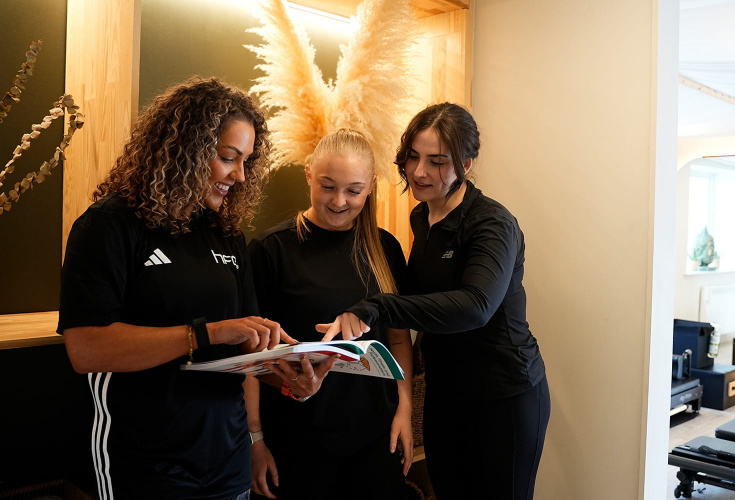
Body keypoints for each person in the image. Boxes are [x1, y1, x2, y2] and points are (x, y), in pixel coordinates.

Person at [57, 77, 325, 500]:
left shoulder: (226, 235)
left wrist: (289, 379)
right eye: (227, 158)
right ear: (186, 149)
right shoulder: (109, 225)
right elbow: (87, 349)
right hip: (144, 462)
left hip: (227, 460)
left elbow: (245, 350)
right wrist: (208, 333)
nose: (239, 176)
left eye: (246, 162)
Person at [318, 103, 551, 500]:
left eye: (437, 161)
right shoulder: (421, 218)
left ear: (466, 163)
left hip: (503, 395)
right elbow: (416, 294)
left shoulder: (492, 223)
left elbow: (475, 306)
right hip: (446, 391)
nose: (420, 172)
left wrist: (379, 305)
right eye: (412, 157)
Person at [247, 129, 413, 500]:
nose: (339, 201)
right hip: (297, 437)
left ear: (370, 186)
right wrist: (255, 440)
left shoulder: (384, 247)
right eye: (327, 186)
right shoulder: (269, 251)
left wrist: (404, 409)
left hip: (375, 436)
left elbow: (399, 337)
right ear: (308, 175)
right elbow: (252, 357)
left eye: (354, 190)